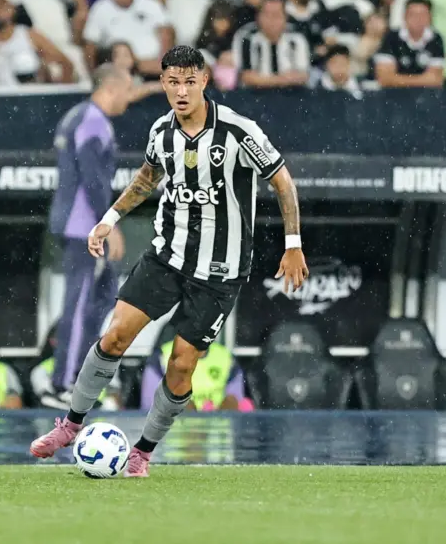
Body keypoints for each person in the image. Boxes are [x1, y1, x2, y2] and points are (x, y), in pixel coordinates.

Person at [29, 45, 308, 477]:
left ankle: (141, 452)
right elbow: (147, 177)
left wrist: (293, 244)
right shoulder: (161, 131)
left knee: (180, 365)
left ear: (204, 81)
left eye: (189, 82)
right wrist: (108, 219)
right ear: (162, 83)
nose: (181, 91)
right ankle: (69, 425)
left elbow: (282, 181)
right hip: (168, 256)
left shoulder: (238, 131)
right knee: (115, 335)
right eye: (173, 82)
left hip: (219, 271)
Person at [46, 64, 132, 402]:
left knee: (101, 298)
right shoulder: (93, 122)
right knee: (81, 305)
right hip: (83, 227)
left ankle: (78, 375)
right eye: (126, 90)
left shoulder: (77, 116)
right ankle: (65, 383)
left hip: (77, 223)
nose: (129, 98)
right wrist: (108, 224)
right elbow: (92, 178)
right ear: (111, 88)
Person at [0, 0, 75, 83]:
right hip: (1, 92)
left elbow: (66, 63)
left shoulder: (29, 35)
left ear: (12, 9)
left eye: (0, 6)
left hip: (31, 91)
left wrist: (60, 91)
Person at [232, 0, 311, 89]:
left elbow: (303, 75)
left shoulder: (297, 37)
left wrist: (265, 80)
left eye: (276, 15)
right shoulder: (246, 37)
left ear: (285, 17)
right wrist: (283, 80)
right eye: (266, 15)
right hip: (255, 93)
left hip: (291, 93)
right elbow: (246, 77)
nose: (271, 20)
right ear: (258, 17)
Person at [374, 0, 445, 88]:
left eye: (422, 14)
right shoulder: (391, 37)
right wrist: (424, 80)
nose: (418, 19)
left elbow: (436, 80)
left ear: (430, 17)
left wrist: (397, 79)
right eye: (413, 14)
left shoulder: (435, 38)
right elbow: (384, 79)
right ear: (404, 17)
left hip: (425, 95)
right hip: (393, 94)